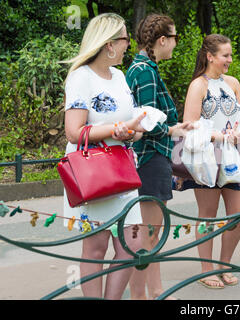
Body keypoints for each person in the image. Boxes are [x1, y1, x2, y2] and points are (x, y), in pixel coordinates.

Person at [61, 13, 148, 299]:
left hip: (123, 172)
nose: (129, 45)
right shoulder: (80, 77)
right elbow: (74, 131)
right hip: (93, 173)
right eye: (126, 39)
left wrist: (134, 132)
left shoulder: (120, 76)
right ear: (109, 44)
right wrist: (116, 128)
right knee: (96, 249)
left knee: (132, 246)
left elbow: (128, 122)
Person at [124, 13, 193, 300]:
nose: (176, 44)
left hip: (146, 157)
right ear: (162, 40)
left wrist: (173, 127)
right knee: (150, 232)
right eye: (175, 38)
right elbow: (148, 123)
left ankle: (153, 290)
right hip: (150, 158)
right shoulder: (146, 71)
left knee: (149, 231)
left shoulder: (139, 68)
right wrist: (174, 128)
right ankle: (145, 294)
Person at [180, 34, 240, 289]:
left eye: (230, 55)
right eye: (225, 55)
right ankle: (206, 270)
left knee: (239, 216)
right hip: (208, 158)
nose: (230, 60)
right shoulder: (199, 85)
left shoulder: (233, 83)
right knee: (207, 215)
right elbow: (189, 125)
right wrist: (219, 136)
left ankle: (224, 264)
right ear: (210, 56)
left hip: (234, 156)